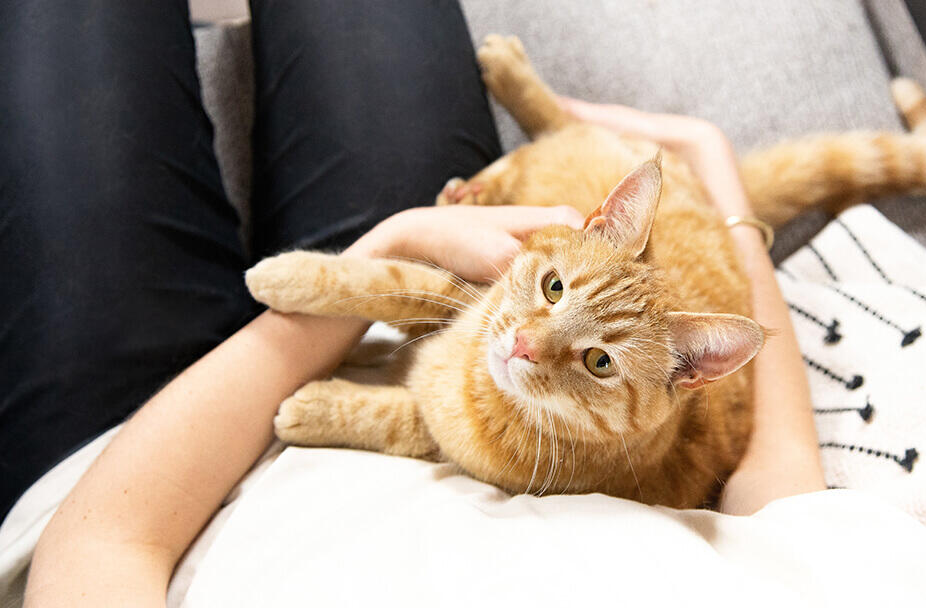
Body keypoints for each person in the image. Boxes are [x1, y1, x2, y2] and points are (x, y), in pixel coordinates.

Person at [5, 1, 846, 605]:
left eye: (593, 357)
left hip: (127, 457)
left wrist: (377, 256)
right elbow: (782, 479)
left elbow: (102, 546)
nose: (538, 344)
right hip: (424, 313)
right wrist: (716, 173)